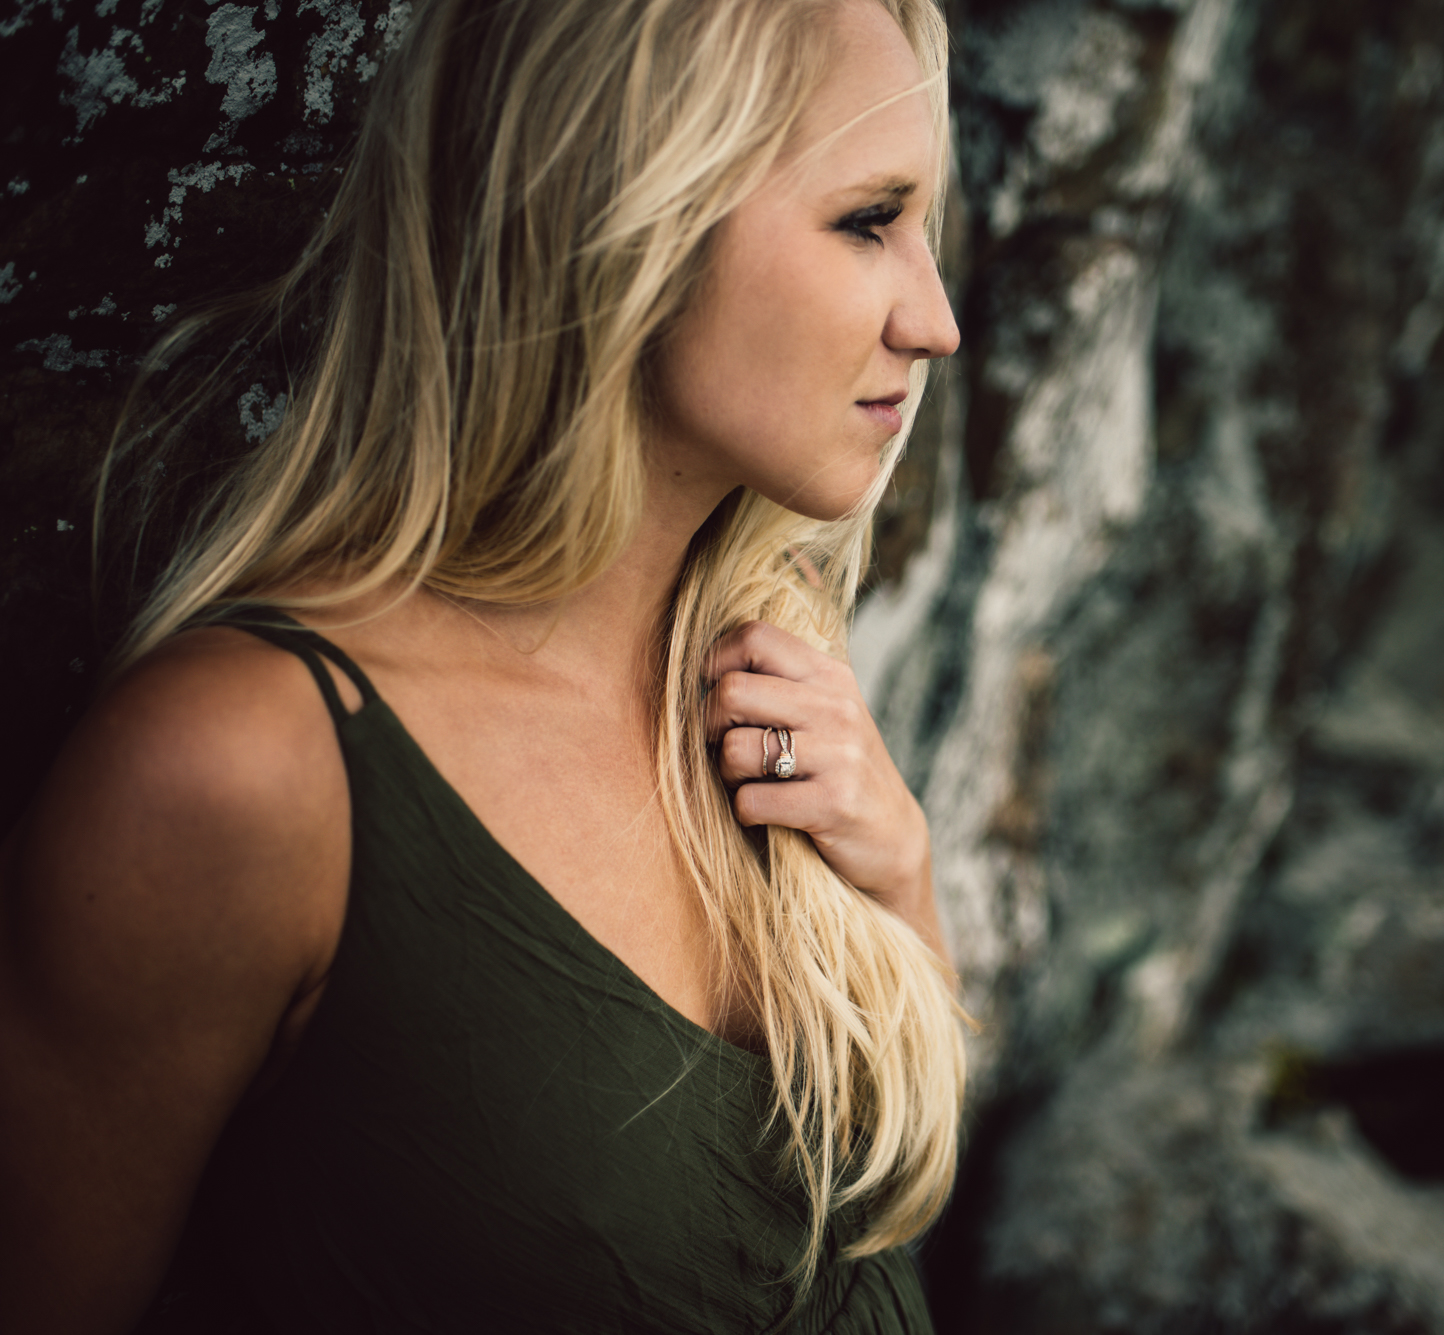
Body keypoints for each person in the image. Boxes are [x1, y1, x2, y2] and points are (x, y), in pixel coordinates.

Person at [0, 0, 967, 1329]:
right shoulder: (243, 767)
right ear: (624, 208)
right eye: (871, 221)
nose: (939, 319)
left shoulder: (771, 666)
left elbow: (879, 1226)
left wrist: (898, 874)